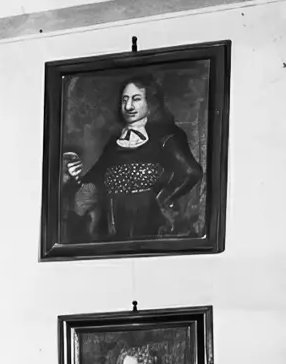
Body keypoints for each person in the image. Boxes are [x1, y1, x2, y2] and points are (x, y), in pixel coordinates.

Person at [60, 76, 206, 243]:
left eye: (136, 99)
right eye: (125, 100)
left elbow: (192, 172)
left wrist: (163, 199)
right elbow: (96, 180)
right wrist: (74, 174)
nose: (128, 106)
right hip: (115, 223)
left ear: (150, 102)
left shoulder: (166, 138)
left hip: (153, 223)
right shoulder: (114, 142)